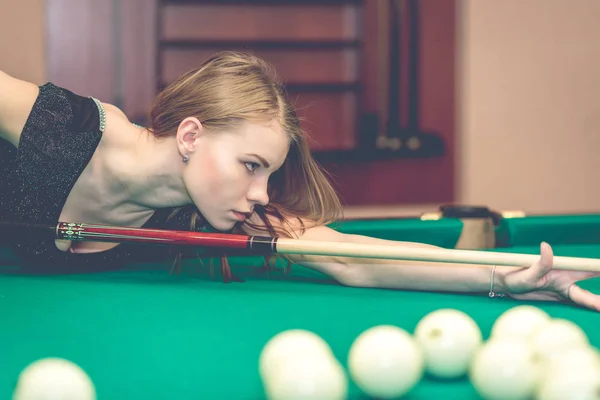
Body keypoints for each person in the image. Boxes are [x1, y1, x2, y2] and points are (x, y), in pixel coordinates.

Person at [0, 51, 598, 311]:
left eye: (269, 173)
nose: (261, 194)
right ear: (190, 137)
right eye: (251, 166)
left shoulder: (201, 215)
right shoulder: (68, 128)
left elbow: (354, 258)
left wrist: (506, 277)